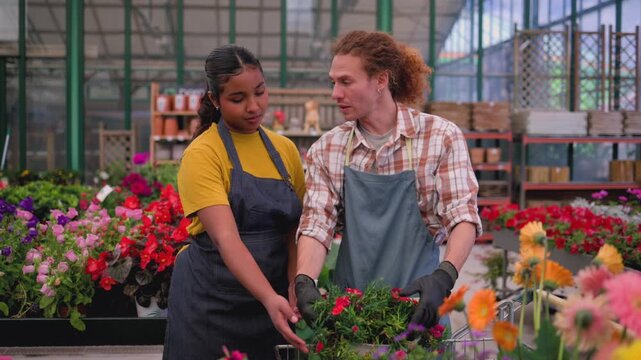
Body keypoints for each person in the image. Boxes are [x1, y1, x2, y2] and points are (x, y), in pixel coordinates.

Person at [294, 30, 482, 329]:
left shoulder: (439, 138)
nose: (335, 93)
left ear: (381, 80)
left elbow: (462, 216)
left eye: (346, 81)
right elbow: (317, 224)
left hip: (420, 305)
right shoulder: (328, 149)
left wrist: (444, 276)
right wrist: (305, 280)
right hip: (351, 312)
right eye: (333, 82)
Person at [163, 44, 308, 360]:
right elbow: (226, 239)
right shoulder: (203, 154)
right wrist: (270, 297)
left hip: (274, 301)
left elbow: (294, 230)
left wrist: (296, 282)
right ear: (215, 100)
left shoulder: (285, 151)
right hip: (211, 305)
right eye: (238, 99)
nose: (254, 106)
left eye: (260, 92)